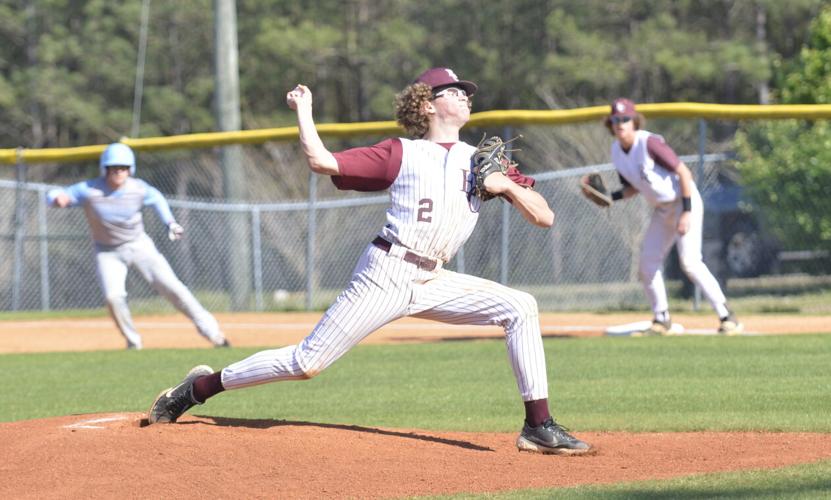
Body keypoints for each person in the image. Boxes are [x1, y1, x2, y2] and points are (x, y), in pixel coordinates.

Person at [147, 67, 592, 456]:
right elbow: (322, 162)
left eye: (466, 91)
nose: (464, 96)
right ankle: (196, 389)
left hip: (434, 276)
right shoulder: (401, 152)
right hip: (387, 273)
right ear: (427, 104)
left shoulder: (480, 160)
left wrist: (508, 186)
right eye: (453, 90)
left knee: (521, 306)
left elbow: (545, 217)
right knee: (307, 363)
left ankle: (538, 427)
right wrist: (304, 110)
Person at [46, 143, 230, 350]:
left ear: (130, 169)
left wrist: (170, 222)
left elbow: (158, 199)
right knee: (113, 297)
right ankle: (133, 342)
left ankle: (214, 334)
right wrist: (55, 198)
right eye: (113, 168)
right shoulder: (90, 190)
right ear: (104, 169)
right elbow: (57, 194)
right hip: (107, 251)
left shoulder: (138, 188)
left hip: (139, 246)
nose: (118, 172)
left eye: (123, 168)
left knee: (174, 289)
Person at [587, 98, 743, 336]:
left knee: (690, 262)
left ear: (634, 121)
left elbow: (683, 172)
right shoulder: (617, 151)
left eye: (625, 119)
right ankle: (662, 319)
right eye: (616, 120)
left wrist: (687, 212)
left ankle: (727, 316)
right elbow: (632, 188)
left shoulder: (648, 142)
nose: (620, 124)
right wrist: (610, 196)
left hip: (683, 201)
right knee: (647, 264)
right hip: (661, 210)